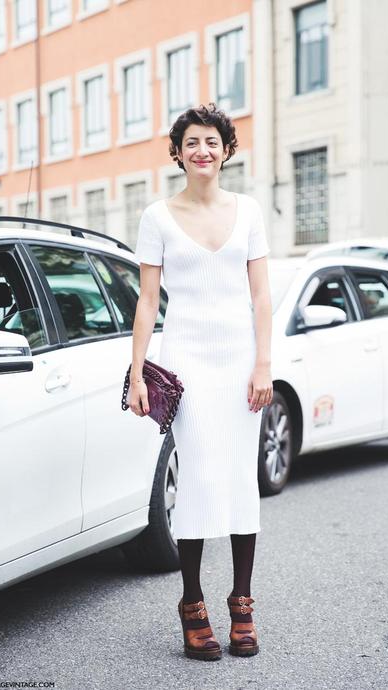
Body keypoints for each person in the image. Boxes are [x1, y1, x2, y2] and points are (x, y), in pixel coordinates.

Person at [127, 102, 273, 661]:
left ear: (227, 150)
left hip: (240, 363)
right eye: (192, 142)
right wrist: (138, 372)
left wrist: (263, 364)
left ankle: (242, 604)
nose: (202, 150)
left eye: (212, 141)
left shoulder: (249, 211)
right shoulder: (157, 217)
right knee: (198, 482)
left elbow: (261, 295)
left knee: (240, 480)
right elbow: (146, 302)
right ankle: (192, 605)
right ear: (178, 152)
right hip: (186, 361)